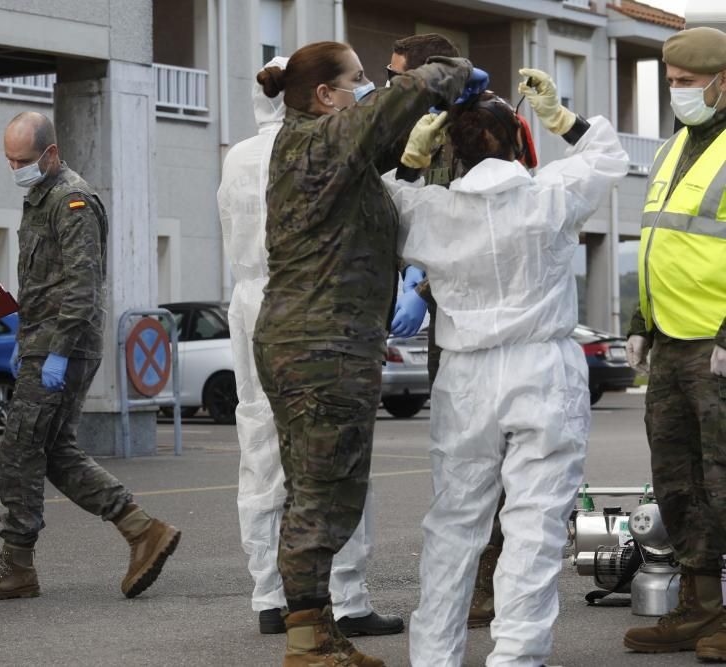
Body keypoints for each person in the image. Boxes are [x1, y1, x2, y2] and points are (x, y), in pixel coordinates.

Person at [383, 71, 628, 666]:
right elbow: (608, 155)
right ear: (519, 141)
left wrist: (410, 162)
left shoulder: (431, 210)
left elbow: (382, 199)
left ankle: (434, 655)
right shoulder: (551, 194)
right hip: (542, 368)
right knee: (535, 525)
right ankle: (516, 656)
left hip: (465, 376)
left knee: (454, 522)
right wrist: (562, 117)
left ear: (453, 152)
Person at [252, 40, 477, 666]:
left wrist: (409, 151)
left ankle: (314, 626)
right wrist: (450, 74)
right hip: (320, 345)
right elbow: (403, 96)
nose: (365, 88)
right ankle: (307, 640)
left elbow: (375, 147)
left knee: (318, 490)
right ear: (327, 95)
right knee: (322, 497)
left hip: (320, 340)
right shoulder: (317, 141)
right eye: (356, 81)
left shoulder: (318, 146)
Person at [0, 112, 181, 602]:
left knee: (19, 450)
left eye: (23, 159)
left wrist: (54, 352)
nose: (15, 167)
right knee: (55, 451)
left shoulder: (71, 200)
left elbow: (82, 287)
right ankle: (141, 529)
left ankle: (17, 566)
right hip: (44, 343)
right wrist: (26, 342)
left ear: (51, 154)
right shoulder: (41, 197)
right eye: (9, 159)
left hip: (64, 345)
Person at [222, 56, 402, 639]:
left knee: (261, 456)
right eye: (352, 84)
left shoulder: (238, 156)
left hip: (253, 309)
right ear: (317, 94)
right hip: (319, 308)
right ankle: (344, 599)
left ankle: (270, 597)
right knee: (333, 461)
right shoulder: (329, 149)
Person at [388, 32, 508, 631]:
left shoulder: (483, 123)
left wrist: (421, 284)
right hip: (444, 321)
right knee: (454, 452)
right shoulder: (420, 131)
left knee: (487, 452)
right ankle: (462, 577)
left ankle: (490, 580)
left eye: (400, 76)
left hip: (482, 316)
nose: (392, 87)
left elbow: (483, 231)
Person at [622, 27, 726, 659]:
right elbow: (658, 243)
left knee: (724, 479)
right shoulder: (670, 150)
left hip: (718, 343)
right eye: (671, 84)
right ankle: (698, 605)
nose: (676, 94)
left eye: (686, 85)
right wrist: (641, 320)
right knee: (677, 479)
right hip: (672, 343)